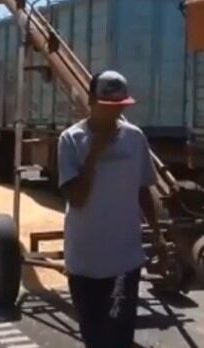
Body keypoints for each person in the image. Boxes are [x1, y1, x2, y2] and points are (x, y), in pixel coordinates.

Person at [57, 70, 165, 348]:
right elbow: (77, 199)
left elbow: (143, 190)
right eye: (107, 107)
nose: (114, 113)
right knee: (95, 338)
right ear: (91, 102)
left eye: (120, 107)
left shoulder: (134, 137)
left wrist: (157, 234)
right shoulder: (71, 140)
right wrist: (95, 152)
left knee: (118, 336)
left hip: (123, 261)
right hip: (85, 261)